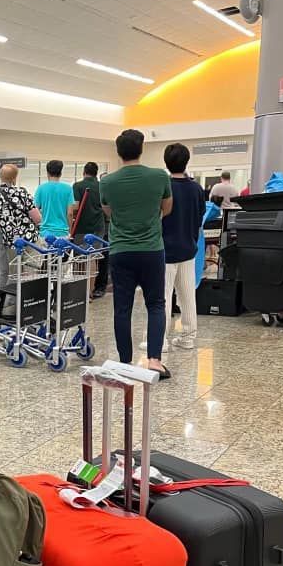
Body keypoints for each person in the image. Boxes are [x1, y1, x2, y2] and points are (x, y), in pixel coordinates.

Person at [101, 129, 173, 379]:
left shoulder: (107, 182)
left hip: (121, 251)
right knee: (156, 304)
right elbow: (167, 208)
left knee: (122, 307)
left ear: (118, 152)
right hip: (152, 250)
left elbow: (108, 211)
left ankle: (125, 362)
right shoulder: (159, 176)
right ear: (141, 149)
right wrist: (149, 218)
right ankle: (154, 361)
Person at [139, 144, 204, 353]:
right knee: (187, 296)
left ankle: (159, 342)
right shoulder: (196, 189)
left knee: (162, 298)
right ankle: (188, 338)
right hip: (188, 249)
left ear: (166, 163)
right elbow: (199, 218)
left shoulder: (162, 187)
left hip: (164, 251)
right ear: (187, 162)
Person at [69, 161, 109, 297]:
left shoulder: (78, 186)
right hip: (98, 227)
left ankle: (78, 292)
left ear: (84, 172)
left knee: (80, 259)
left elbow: (75, 206)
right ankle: (90, 292)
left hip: (81, 226)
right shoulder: (102, 186)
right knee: (93, 258)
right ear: (96, 173)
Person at [0, 163, 41, 247]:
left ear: (0, 177)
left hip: (11, 242)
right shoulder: (23, 193)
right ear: (14, 178)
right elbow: (37, 219)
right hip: (30, 240)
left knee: (15, 256)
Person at [34, 160, 72, 239]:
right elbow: (70, 213)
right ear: (61, 173)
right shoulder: (68, 188)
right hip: (62, 232)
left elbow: (35, 210)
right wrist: (70, 231)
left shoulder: (41, 188)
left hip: (45, 233)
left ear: (47, 173)